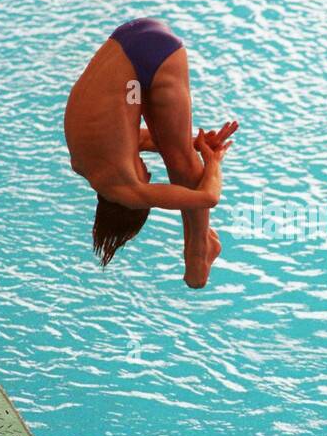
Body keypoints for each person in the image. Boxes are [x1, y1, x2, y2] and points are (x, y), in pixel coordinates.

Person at [63, 18, 237, 287]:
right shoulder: (83, 162)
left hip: (156, 55)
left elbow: (207, 197)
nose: (148, 171)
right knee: (173, 147)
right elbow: (144, 140)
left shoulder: (129, 192)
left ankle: (198, 251)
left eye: (147, 178)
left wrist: (213, 160)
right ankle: (196, 247)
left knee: (179, 160)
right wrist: (198, 142)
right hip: (129, 38)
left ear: (133, 206)